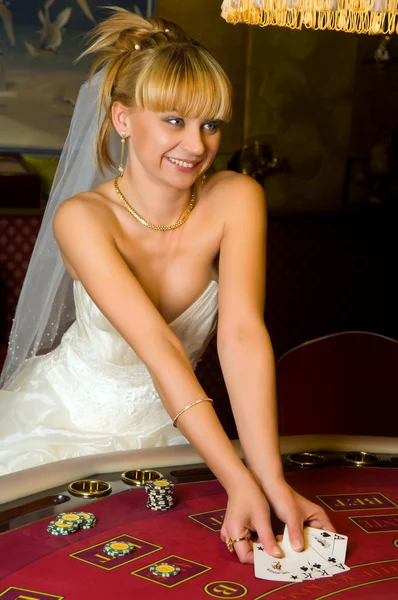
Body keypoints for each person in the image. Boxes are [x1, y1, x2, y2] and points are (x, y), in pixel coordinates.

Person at [0, 8, 334, 562]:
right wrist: (236, 476)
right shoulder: (82, 219)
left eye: (210, 124)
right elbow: (162, 350)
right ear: (123, 119)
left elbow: (243, 336)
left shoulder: (237, 197)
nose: (197, 145)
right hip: (58, 426)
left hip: (174, 429)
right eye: (174, 120)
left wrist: (268, 478)